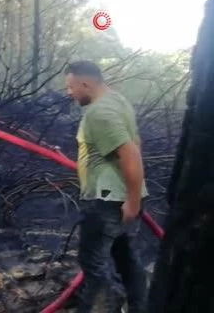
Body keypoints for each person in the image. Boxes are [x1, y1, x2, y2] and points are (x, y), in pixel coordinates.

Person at [65, 60, 148, 312]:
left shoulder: (99, 113)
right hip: (122, 198)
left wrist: (131, 200)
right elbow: (134, 143)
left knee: (94, 267)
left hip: (107, 202)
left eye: (70, 87)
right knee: (127, 261)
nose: (69, 93)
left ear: (85, 84)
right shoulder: (118, 101)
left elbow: (130, 153)